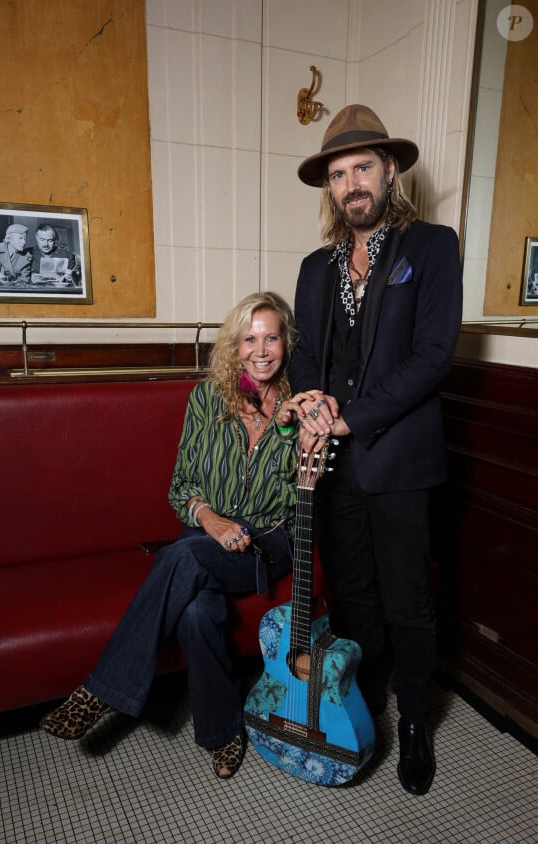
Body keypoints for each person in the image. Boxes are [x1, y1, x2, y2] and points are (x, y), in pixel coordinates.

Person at [40, 291, 306, 780]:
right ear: (235, 345)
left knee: (181, 559)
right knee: (196, 608)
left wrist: (291, 432)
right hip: (206, 537)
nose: (261, 349)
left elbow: (302, 495)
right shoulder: (207, 398)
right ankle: (224, 732)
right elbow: (181, 485)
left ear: (287, 342)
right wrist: (212, 521)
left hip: (267, 545)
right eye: (249, 338)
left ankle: (99, 691)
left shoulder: (301, 404)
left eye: (272, 337)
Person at [287, 104, 463, 796]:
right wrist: (311, 399)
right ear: (329, 188)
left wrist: (350, 420)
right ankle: (367, 700)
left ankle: (415, 721)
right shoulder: (313, 267)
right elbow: (305, 353)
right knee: (354, 596)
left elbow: (430, 358)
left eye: (363, 167)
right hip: (331, 469)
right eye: (339, 173)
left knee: (410, 601)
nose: (352, 182)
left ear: (390, 172)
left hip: (399, 461)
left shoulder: (432, 247)